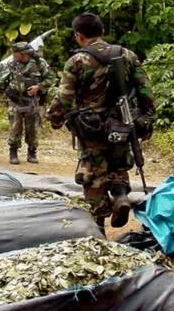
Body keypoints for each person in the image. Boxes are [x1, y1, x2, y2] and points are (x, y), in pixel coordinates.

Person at [45, 12, 156, 232]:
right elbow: (146, 90)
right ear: (102, 31)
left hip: (91, 128)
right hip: (122, 124)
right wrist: (146, 119)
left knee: (93, 175)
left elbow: (64, 98)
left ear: (79, 36)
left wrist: (53, 118)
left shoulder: (77, 61)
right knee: (118, 165)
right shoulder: (126, 55)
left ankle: (98, 228)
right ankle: (121, 197)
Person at [0, 42, 56, 164]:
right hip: (15, 100)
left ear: (22, 53)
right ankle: (13, 152)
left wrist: (38, 87)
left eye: (14, 52)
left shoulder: (39, 63)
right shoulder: (11, 64)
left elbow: (51, 78)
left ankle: (32, 152)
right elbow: (1, 80)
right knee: (15, 128)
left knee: (32, 128)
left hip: (32, 101)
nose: (12, 54)